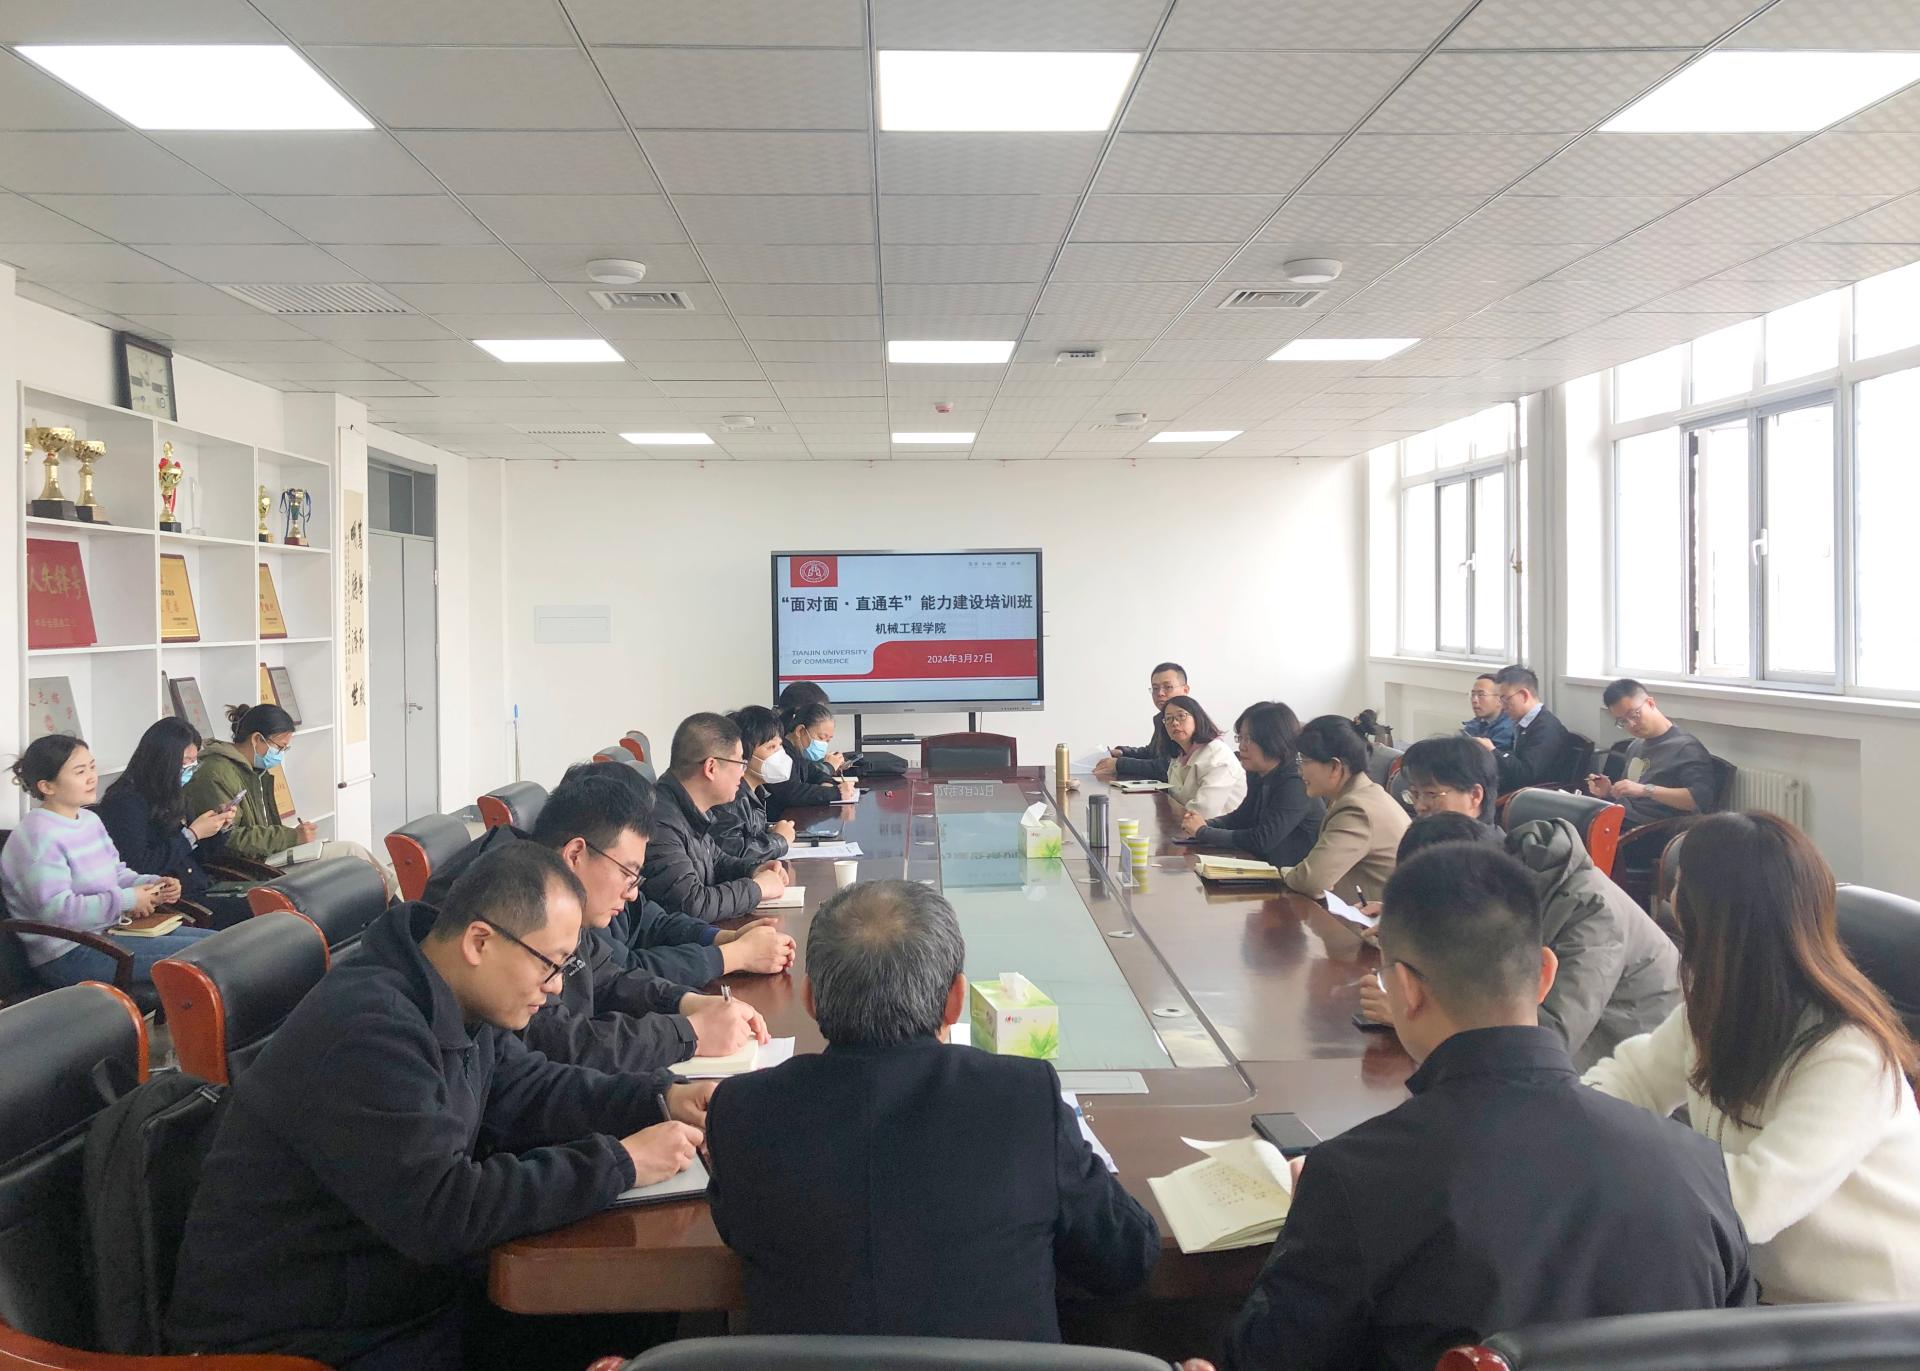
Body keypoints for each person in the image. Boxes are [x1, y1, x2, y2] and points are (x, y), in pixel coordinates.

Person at [1207, 843, 1754, 1371]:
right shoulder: (1699, 1167)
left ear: (1406, 989)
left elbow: (1265, 1358)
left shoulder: (1357, 1176)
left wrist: (1308, 1227)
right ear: (1545, 975)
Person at [166, 842, 712, 1369]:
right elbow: (443, 1210)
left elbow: (528, 1089)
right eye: (551, 964)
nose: (554, 988)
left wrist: (659, 1097)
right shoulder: (368, 1031)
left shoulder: (451, 994)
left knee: (637, 1317)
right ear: (479, 941)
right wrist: (620, 1162)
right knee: (619, 1324)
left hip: (397, 1292)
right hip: (313, 1337)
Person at [707, 879, 1159, 1339]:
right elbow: (1127, 1258)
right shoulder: (1024, 1097)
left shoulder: (742, 1112)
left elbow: (740, 1232)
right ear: (956, 1000)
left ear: (809, 999)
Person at [1584, 813, 1920, 1303]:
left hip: (1869, 1313)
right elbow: (1635, 1079)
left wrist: (1625, 1173)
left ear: (1706, 914)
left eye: (1679, 885)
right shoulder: (1721, 1008)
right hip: (1761, 1290)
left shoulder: (1847, 1054)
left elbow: (1753, 1202)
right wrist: (1573, 1127)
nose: (1671, 898)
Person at [422, 774, 776, 1072]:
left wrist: (685, 1002)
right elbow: (556, 1038)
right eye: (627, 874)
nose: (633, 893)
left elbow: (608, 977)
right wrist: (688, 1033)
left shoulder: (556, 890)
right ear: (576, 854)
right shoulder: (508, 899)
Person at [1359, 814, 1681, 1070]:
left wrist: (1413, 1015)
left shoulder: (1592, 911)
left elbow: (1549, 1040)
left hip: (1628, 1069)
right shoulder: (1501, 882)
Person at [560, 760, 795, 989]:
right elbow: (622, 974)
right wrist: (735, 955)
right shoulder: (569, 910)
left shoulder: (606, 880)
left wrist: (724, 937)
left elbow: (655, 923)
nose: (632, 894)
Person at [3, 734, 211, 988]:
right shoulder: (37, 836)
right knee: (207, 959)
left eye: (92, 767)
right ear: (47, 786)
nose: (92, 777)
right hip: (69, 952)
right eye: (80, 772)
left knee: (218, 944)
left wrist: (153, 884)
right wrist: (128, 900)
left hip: (111, 932)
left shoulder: (89, 820)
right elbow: (56, 911)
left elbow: (116, 872)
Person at [184, 702, 393, 895]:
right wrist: (292, 837)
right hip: (252, 867)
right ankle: (399, 906)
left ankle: (396, 904)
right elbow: (229, 840)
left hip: (267, 855)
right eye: (280, 747)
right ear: (256, 739)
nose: (281, 753)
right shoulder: (216, 773)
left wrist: (293, 837)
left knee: (354, 862)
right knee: (350, 853)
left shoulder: (253, 770)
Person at [94, 716, 255, 928]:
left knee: (275, 897)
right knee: (261, 911)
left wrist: (218, 828)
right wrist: (192, 834)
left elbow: (202, 857)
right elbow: (139, 865)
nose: (190, 768)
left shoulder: (175, 794)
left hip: (201, 887)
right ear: (163, 760)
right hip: (173, 902)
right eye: (185, 761)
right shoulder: (125, 800)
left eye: (194, 761)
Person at [642, 713, 790, 923]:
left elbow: (717, 861)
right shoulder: (660, 822)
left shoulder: (689, 806)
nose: (742, 773)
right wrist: (757, 888)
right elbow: (692, 904)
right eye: (740, 763)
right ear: (711, 768)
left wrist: (754, 869)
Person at [1280, 715, 1410, 903]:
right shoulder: (1362, 795)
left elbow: (1311, 881)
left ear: (1335, 766)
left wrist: (1289, 874)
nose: (1299, 770)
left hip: (1370, 920)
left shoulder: (1357, 810)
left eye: (1304, 760)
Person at [1179, 702, 1322, 867]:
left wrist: (1203, 832)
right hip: (1263, 866)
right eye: (1240, 738)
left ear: (1273, 740)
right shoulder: (1258, 773)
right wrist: (1204, 823)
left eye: (1248, 739)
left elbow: (1262, 840)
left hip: (1290, 877)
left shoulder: (1296, 783)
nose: (1241, 746)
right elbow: (1240, 818)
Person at [1585, 679, 1718, 829]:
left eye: (1634, 714)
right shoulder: (1636, 746)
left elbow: (1699, 800)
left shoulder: (1686, 748)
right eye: (1623, 721)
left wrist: (1646, 790)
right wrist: (1609, 791)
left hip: (1651, 830)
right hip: (1623, 817)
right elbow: (1632, 792)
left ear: (1650, 703)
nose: (1631, 724)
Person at [711, 705, 795, 866]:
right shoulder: (730, 797)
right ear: (742, 753)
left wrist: (770, 832)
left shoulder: (756, 792)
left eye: (780, 746)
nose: (780, 754)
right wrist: (779, 840)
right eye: (771, 747)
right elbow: (735, 853)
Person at [1473, 666, 1575, 794]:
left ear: (1524, 695)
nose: (1502, 706)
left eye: (1505, 699)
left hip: (1534, 796)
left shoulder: (1546, 728)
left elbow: (1526, 774)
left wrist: (1492, 751)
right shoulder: (1525, 723)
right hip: (1516, 789)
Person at [1093, 661, 1186, 783]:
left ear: (1185, 690)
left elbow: (1167, 767)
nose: (1160, 693)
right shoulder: (1161, 719)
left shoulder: (1188, 721)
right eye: (1155, 688)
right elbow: (1152, 752)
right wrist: (1122, 752)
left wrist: (1120, 764)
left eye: (1168, 687)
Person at [1161, 694, 1246, 821]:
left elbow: (1205, 811)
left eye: (1181, 716)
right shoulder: (1179, 756)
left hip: (1221, 830)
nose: (1175, 723)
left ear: (1197, 718)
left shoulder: (1216, 754)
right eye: (1168, 719)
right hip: (1189, 827)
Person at [768, 701, 858, 814]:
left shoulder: (798, 754)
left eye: (828, 741)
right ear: (800, 731)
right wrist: (835, 792)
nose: (824, 745)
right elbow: (791, 791)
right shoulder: (780, 753)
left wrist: (827, 784)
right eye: (821, 738)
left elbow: (816, 774)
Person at [1395, 734, 1499, 824]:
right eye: (1415, 794)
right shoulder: (1422, 837)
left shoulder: (1487, 842)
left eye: (1431, 794)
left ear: (1474, 795)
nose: (1419, 806)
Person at [1462, 673, 1515, 751]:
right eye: (1473, 695)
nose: (1474, 700)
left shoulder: (1507, 729)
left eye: (1481, 695)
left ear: (1500, 699)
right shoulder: (1475, 723)